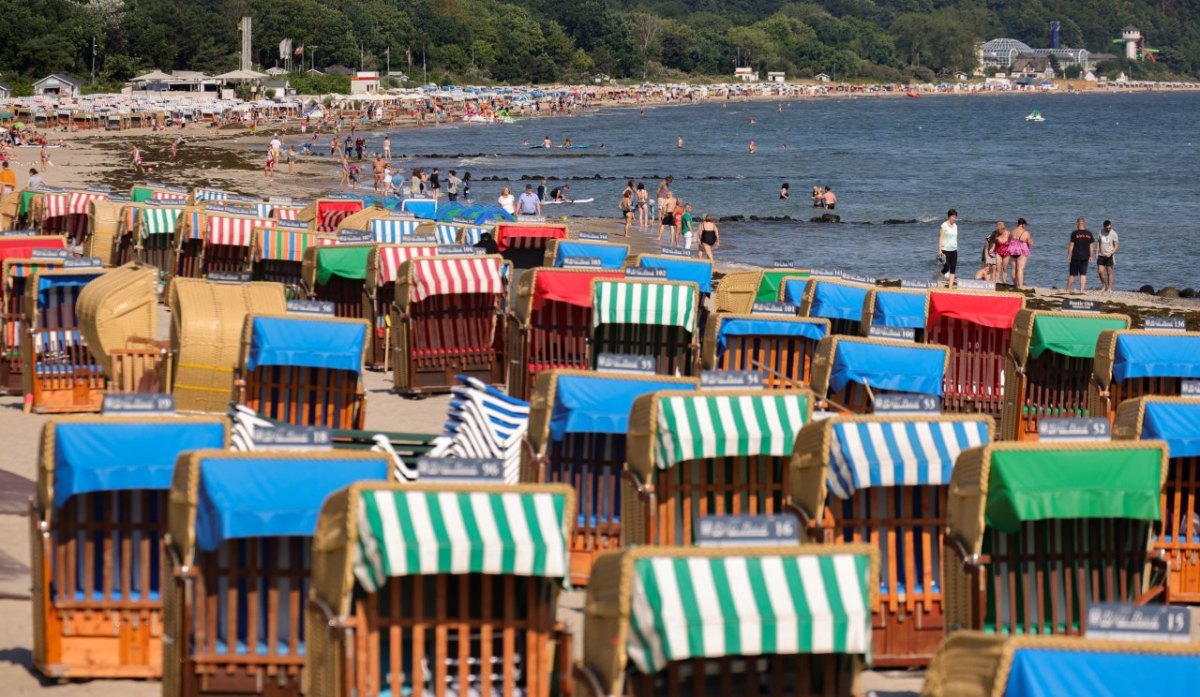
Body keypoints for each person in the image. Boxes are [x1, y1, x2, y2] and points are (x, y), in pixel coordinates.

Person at [1066, 217, 1095, 294]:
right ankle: (1081, 290)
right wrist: (1091, 256)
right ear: (1084, 223)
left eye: (1077, 223)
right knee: (1083, 274)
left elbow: (1071, 245)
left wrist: (1069, 255)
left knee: (1072, 274)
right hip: (1085, 256)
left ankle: (1068, 290)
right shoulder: (1089, 233)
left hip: (1075, 256)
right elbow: (1091, 246)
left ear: (1078, 223)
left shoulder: (1074, 233)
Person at [935, 209, 959, 286]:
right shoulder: (944, 225)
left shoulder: (955, 226)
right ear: (949, 216)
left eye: (956, 217)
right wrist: (939, 249)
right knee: (946, 267)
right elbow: (941, 238)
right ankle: (938, 276)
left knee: (953, 268)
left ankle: (950, 287)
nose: (955, 218)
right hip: (945, 249)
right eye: (954, 217)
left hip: (954, 249)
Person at [1008, 218, 1033, 289]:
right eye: (1025, 225)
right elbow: (1030, 242)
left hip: (1012, 250)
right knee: (1020, 269)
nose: (1025, 226)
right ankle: (1020, 286)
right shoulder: (1025, 233)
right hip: (1021, 250)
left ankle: (1015, 284)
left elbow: (1008, 240)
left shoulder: (1012, 231)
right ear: (1022, 224)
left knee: (1013, 269)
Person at [1096, 220, 1120, 291]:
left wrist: (1111, 253)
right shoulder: (1101, 232)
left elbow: (1116, 246)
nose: (1108, 229)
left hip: (1109, 255)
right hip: (1101, 254)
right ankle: (1104, 285)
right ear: (1104, 226)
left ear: (1111, 225)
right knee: (1100, 271)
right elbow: (1098, 242)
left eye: (1110, 227)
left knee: (1109, 271)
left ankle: (1109, 288)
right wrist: (1096, 252)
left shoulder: (1114, 233)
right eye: (1107, 228)